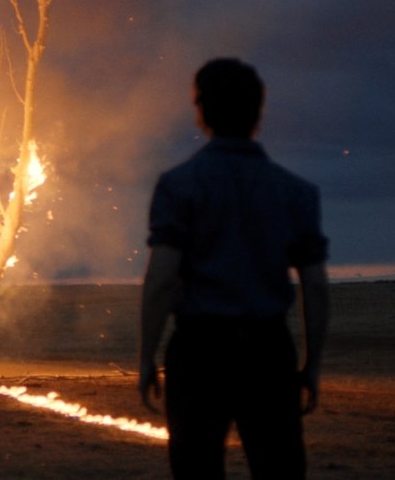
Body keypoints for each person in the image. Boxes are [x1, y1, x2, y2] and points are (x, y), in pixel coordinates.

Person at [138, 58, 331, 479]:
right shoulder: (295, 191)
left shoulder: (179, 185)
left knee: (196, 468)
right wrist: (312, 364)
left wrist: (147, 355)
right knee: (278, 467)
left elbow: (161, 278)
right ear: (258, 113)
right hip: (268, 352)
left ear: (201, 112)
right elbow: (314, 285)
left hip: (199, 352)